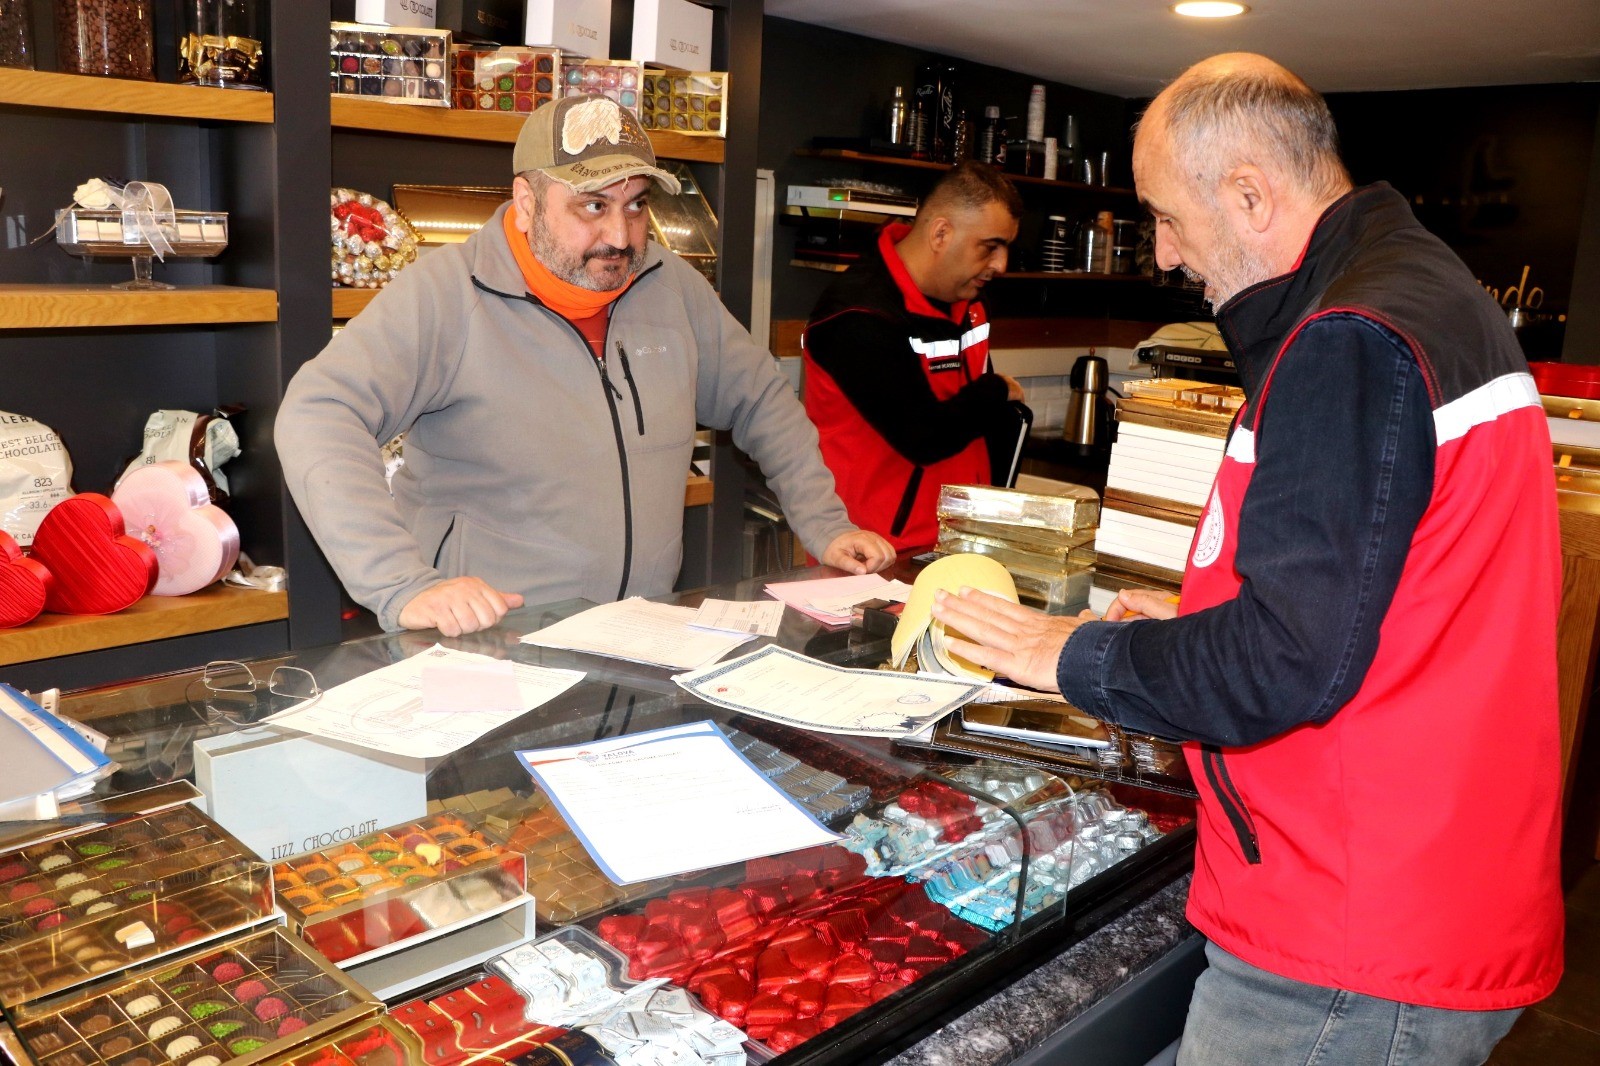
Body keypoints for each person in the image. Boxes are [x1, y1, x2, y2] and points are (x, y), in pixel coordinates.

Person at [932, 54, 1562, 1064]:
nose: (1167, 252)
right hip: (1427, 885)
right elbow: (1388, 589)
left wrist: (1071, 654)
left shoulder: (1347, 337)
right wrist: (1199, 609)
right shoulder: (1422, 295)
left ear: (1250, 193)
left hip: (1351, 941)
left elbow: (1285, 660)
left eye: (1167, 216)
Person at [277, 95, 893, 636]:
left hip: (639, 634)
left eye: (636, 206)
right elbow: (319, 412)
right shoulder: (447, 294)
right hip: (489, 642)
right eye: (593, 207)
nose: (621, 237)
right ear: (526, 199)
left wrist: (824, 525)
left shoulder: (669, 285)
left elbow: (762, 399)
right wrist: (400, 583)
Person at [802, 162, 1029, 553]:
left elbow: (970, 423)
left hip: (962, 541)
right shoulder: (858, 313)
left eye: (1006, 248)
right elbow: (924, 435)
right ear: (941, 233)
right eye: (990, 246)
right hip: (873, 553)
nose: (1000, 265)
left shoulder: (969, 303)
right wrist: (995, 390)